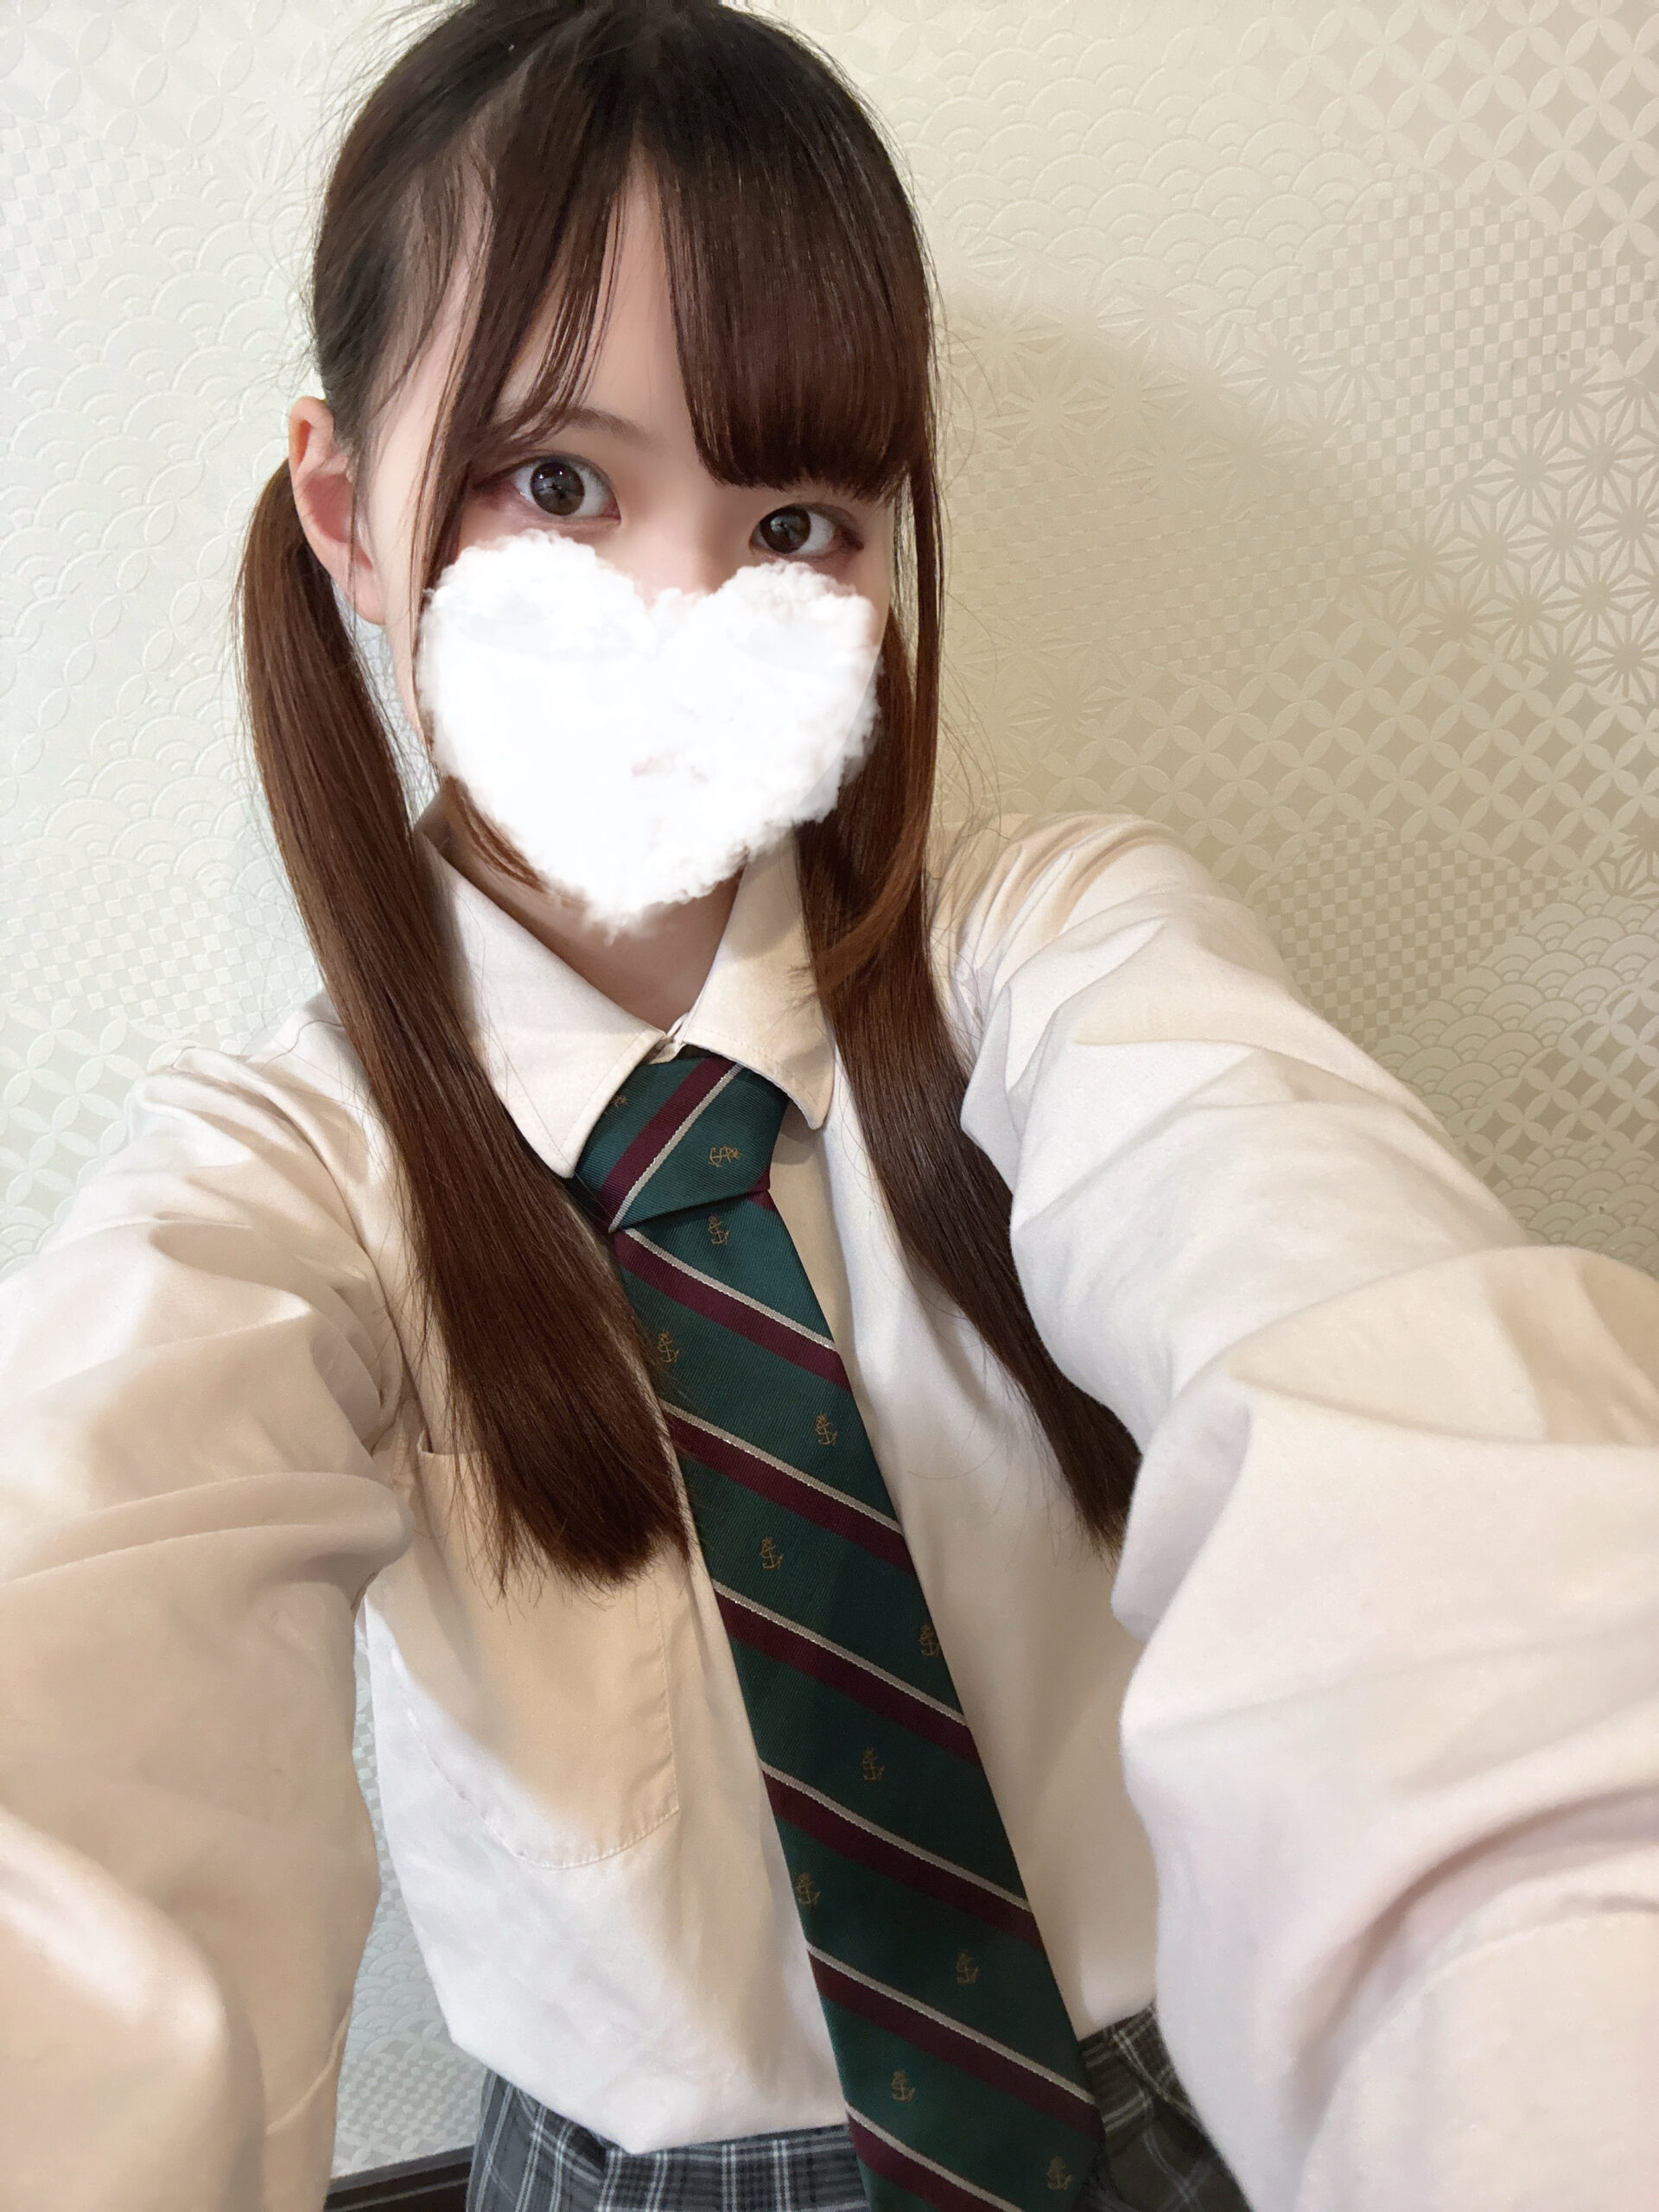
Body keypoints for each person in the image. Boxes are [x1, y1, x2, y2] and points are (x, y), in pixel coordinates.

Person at [3, 4, 1656, 2211]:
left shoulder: (1051, 962)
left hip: (1197, 2117)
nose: (688, 611)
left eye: (796, 519)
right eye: (555, 482)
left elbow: (1371, 1355)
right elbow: (88, 1643)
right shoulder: (284, 1178)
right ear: (347, 512)